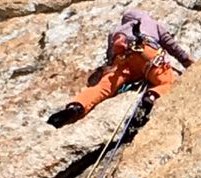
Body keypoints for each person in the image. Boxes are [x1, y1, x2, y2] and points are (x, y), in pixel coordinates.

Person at [46, 7, 193, 129]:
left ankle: (76, 106)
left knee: (102, 88)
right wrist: (189, 63)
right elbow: (173, 48)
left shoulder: (115, 31)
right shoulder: (153, 23)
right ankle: (151, 96)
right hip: (148, 54)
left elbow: (111, 57)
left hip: (123, 60)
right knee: (167, 82)